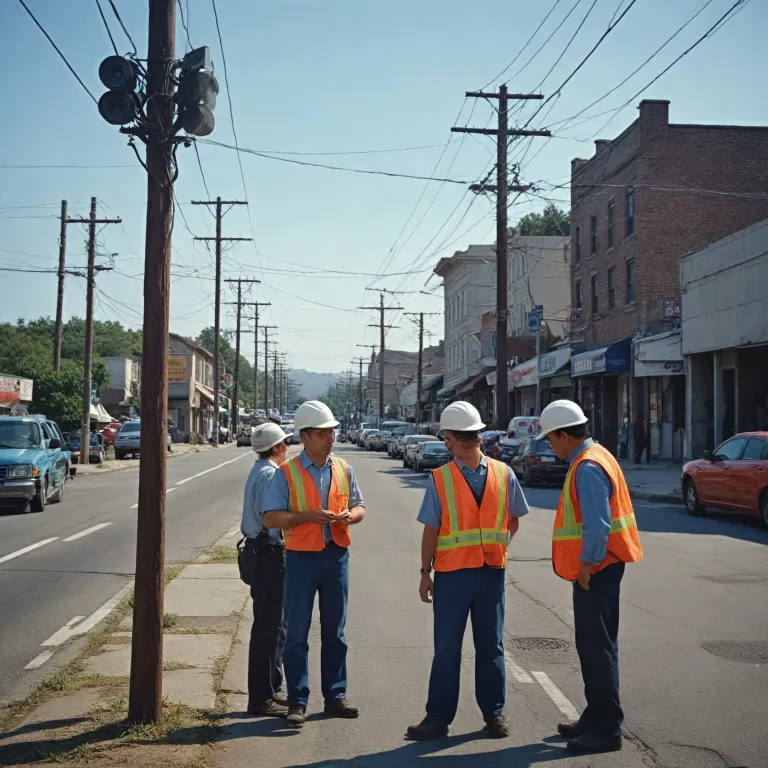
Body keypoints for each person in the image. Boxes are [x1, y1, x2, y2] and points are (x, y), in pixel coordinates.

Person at [407, 401, 530, 741]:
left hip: (488, 573)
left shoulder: (503, 474)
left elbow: (512, 519)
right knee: (449, 648)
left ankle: (493, 714)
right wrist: (425, 571)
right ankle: (439, 718)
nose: (446, 443)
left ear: (456, 439)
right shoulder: (443, 478)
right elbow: (432, 529)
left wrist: (500, 543)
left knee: (490, 646)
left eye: (447, 437)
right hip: (456, 574)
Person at [539, 399, 644, 754]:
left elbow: (597, 525)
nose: (550, 446)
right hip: (604, 566)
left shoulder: (587, 466)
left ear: (565, 435)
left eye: (551, 439)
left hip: (597, 569)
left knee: (596, 648)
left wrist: (586, 566)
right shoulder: (597, 455)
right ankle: (596, 714)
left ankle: (606, 728)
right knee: (596, 645)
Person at [262, 400, 365, 729]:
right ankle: (297, 700)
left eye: (331, 432)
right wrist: (308, 516)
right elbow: (271, 517)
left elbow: (360, 506)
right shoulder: (287, 473)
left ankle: (335, 697)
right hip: (301, 559)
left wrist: (352, 516)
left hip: (337, 556)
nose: (330, 438)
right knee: (297, 634)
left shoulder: (344, 469)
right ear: (304, 437)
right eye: (323, 433)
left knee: (336, 632)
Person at [238, 422, 291, 716]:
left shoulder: (259, 470)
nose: (288, 448)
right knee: (269, 629)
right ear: (276, 447)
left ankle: (271, 687)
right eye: (286, 443)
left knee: (275, 626)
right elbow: (273, 518)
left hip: (259, 552)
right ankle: (261, 697)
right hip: (268, 553)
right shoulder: (272, 474)